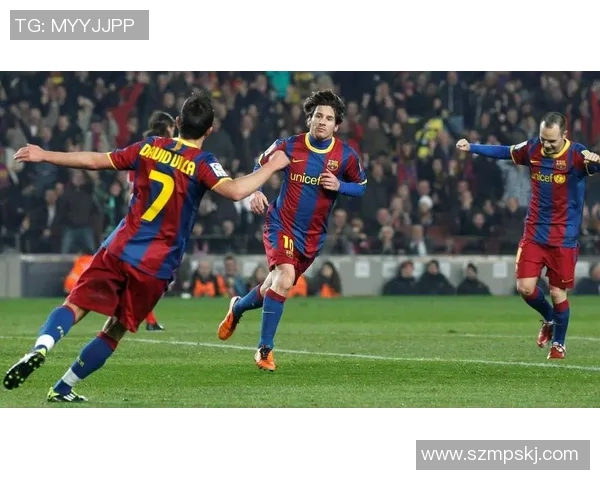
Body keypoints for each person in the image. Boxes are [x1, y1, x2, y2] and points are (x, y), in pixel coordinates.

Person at [3, 91, 288, 402]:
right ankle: (63, 387)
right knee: (114, 329)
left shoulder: (150, 146)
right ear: (209, 130)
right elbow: (234, 191)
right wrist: (271, 167)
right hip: (156, 266)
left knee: (75, 305)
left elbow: (95, 161)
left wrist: (45, 154)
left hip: (119, 247)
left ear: (177, 122)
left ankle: (42, 346)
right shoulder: (203, 163)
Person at [217, 89, 367, 371]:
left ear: (336, 125)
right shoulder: (288, 145)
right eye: (318, 116)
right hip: (280, 224)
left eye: (329, 118)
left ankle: (237, 307)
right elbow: (260, 164)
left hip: (312, 236)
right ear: (309, 119)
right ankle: (264, 349)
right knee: (284, 279)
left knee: (273, 286)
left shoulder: (345, 156)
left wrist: (340, 186)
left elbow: (361, 187)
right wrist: (256, 191)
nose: (322, 121)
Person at [456, 111, 600, 359]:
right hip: (534, 232)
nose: (547, 145)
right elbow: (505, 151)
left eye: (552, 141)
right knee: (525, 288)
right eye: (544, 139)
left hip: (564, 236)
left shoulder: (577, 155)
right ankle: (549, 319)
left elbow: (594, 166)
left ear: (564, 135)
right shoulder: (533, 148)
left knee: (557, 293)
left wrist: (596, 159)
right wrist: (472, 147)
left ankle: (559, 345)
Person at [132, 110, 177, 331]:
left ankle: (148, 318)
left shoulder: (141, 148)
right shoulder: (170, 151)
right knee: (156, 273)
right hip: (159, 220)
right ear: (168, 128)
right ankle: (147, 319)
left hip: (139, 215)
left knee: (148, 273)